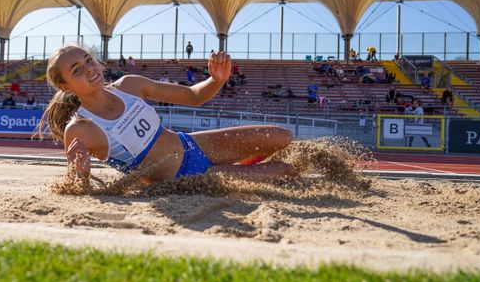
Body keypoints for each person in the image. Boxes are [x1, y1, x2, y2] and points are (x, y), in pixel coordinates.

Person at [37, 43, 296, 187]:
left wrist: (216, 81)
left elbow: (194, 95)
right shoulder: (80, 129)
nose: (89, 69)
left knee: (281, 136)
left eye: (88, 60)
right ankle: (235, 169)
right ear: (66, 86)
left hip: (193, 145)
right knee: (285, 171)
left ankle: (238, 165)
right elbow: (77, 186)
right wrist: (81, 173)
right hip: (185, 179)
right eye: (77, 70)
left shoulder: (130, 85)